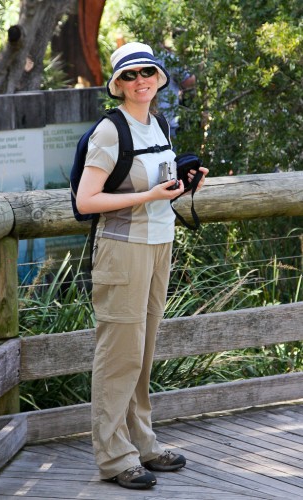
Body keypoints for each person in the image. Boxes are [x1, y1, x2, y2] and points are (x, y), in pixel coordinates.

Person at [76, 42, 209, 490]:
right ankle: (114, 457)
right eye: (130, 76)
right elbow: (87, 200)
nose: (140, 81)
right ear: (118, 85)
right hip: (122, 250)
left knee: (143, 350)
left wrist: (183, 184)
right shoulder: (110, 132)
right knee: (119, 354)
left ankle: (143, 444)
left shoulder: (158, 123)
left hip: (158, 245)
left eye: (147, 72)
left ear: (159, 77)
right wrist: (149, 197)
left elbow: (156, 185)